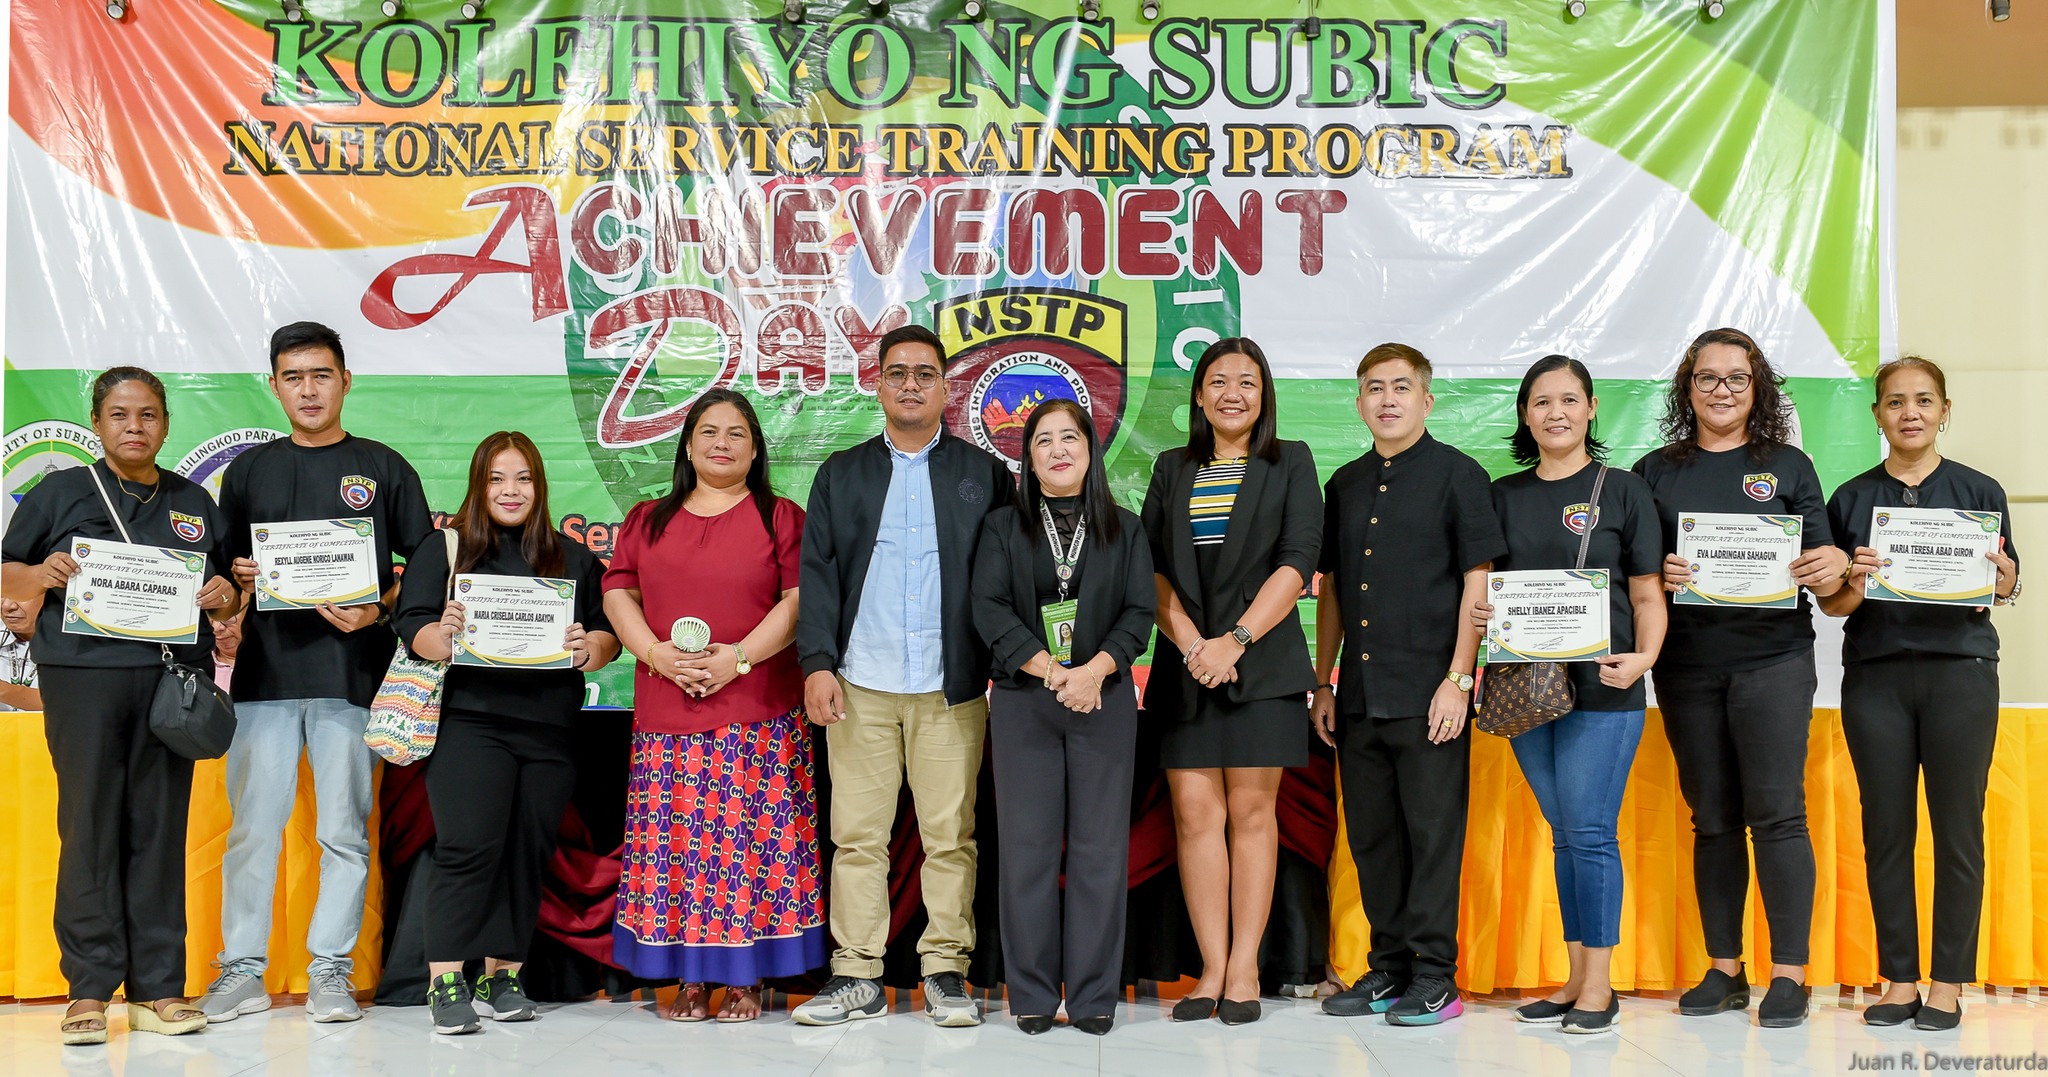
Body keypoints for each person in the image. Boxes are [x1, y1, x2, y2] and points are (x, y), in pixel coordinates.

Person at [199, 321, 435, 1025]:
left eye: (321, 375)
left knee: (343, 833)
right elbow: (225, 580)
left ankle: (330, 968)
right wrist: (238, 579)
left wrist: (379, 609)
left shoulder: (384, 466)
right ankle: (242, 970)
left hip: (351, 678)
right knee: (252, 831)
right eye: (293, 377)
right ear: (274, 386)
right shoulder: (248, 472)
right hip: (265, 678)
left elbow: (424, 566)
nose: (308, 389)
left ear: (345, 381)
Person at [1, 367, 241, 1045]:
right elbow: (8, 571)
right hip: (83, 679)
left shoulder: (193, 500)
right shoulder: (60, 492)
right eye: (119, 414)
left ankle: (158, 987)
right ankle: (87, 987)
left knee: (160, 831)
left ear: (165, 423)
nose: (134, 427)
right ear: (97, 422)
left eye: (148, 415)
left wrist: (222, 597)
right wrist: (39, 574)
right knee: (88, 828)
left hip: (170, 685)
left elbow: (228, 590)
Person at [791, 325, 1013, 1028]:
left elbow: (1004, 581)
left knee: (950, 836)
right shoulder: (841, 473)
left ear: (947, 387)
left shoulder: (985, 474)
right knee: (857, 837)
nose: (911, 384)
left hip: (952, 687)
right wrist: (817, 663)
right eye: (898, 373)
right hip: (860, 682)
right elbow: (818, 575)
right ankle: (856, 973)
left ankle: (946, 970)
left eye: (925, 373)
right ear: (878, 384)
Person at [1630, 328, 1848, 1027]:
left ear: (1758, 390)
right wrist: (1657, 570)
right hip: (1686, 665)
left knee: (1778, 813)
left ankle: (1790, 974)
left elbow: (1825, 570)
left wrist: (1832, 564)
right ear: (1686, 388)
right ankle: (1724, 968)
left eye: (1736, 378)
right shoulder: (1654, 471)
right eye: (1707, 378)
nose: (1721, 390)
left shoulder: (1788, 465)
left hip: (1774, 661)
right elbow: (1633, 571)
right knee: (1713, 818)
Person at [602, 389, 824, 1023]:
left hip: (757, 711)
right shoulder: (648, 518)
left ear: (755, 450)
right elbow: (617, 591)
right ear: (688, 444)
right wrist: (654, 653)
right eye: (708, 431)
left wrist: (739, 660)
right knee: (679, 851)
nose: (721, 443)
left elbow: (797, 601)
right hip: (667, 712)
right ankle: (691, 980)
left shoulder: (781, 518)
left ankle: (748, 979)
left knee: (750, 849)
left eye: (736, 433)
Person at [391, 431, 619, 1035]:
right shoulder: (446, 549)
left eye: (523, 478)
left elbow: (608, 636)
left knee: (527, 851)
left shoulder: (572, 559)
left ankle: (503, 975)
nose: (510, 491)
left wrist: (588, 648)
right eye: (497, 478)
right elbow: (412, 624)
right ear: (478, 484)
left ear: (539, 486)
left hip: (551, 731)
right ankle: (446, 979)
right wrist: (442, 634)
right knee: (467, 848)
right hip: (471, 725)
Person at [1819, 356, 2020, 1032]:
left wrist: (2006, 580)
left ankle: (1947, 983)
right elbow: (1835, 605)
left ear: (1944, 410)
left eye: (1924, 400)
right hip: (1876, 676)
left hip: (1960, 672)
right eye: (1896, 401)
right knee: (1886, 830)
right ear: (1877, 413)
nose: (1910, 412)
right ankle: (1900, 979)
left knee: (1959, 831)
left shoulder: (1980, 490)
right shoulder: (1850, 498)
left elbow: (2005, 586)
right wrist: (1854, 579)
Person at [1312, 344, 1504, 1026]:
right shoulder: (1345, 483)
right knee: (1374, 839)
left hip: (1432, 696)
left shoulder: (1459, 474)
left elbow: (1479, 583)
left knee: (1432, 837)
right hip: (1360, 695)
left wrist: (1459, 678)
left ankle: (1435, 975)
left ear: (1426, 399)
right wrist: (1324, 680)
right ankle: (1388, 967)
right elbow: (1333, 589)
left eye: (1400, 387)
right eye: (1374, 388)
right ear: (1359, 402)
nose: (1387, 399)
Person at [1474, 355, 1665, 1036]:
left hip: (1605, 688)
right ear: (1525, 415)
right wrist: (1483, 616)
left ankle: (1600, 986)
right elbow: (1483, 587)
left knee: (1588, 830)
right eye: (1541, 402)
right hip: (1525, 689)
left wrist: (1645, 657)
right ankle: (1577, 976)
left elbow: (1648, 593)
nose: (1555, 413)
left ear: (1590, 408)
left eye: (1568, 400)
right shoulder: (1501, 494)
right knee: (1564, 834)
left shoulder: (1625, 490)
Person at [1140, 337, 1321, 1026]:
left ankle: (1245, 965)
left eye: (1247, 382)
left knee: (1251, 814)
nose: (1232, 394)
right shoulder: (1172, 466)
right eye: (1218, 381)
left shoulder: (1291, 461)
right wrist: (1194, 645)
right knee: (1195, 816)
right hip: (1186, 665)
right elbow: (1150, 569)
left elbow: (1297, 563)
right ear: (1198, 394)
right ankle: (1211, 968)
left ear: (1264, 394)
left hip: (1262, 665)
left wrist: (1235, 640)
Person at [970, 399, 1155, 1036]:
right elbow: (989, 607)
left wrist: (1093, 672)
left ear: (1089, 448)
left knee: (1101, 851)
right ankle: (1031, 994)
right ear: (1028, 456)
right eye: (1043, 440)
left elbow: (1139, 613)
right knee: (1027, 851)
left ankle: (1095, 996)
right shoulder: (1002, 527)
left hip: (1104, 701)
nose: (1057, 449)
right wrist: (1053, 672)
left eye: (1069, 437)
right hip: (1024, 701)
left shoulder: (1125, 528)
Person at [1, 594, 43, 711]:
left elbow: (72, 702)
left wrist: (4, 690)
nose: (7, 606)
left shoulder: (80, 642)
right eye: (1, 595)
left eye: (21, 596)